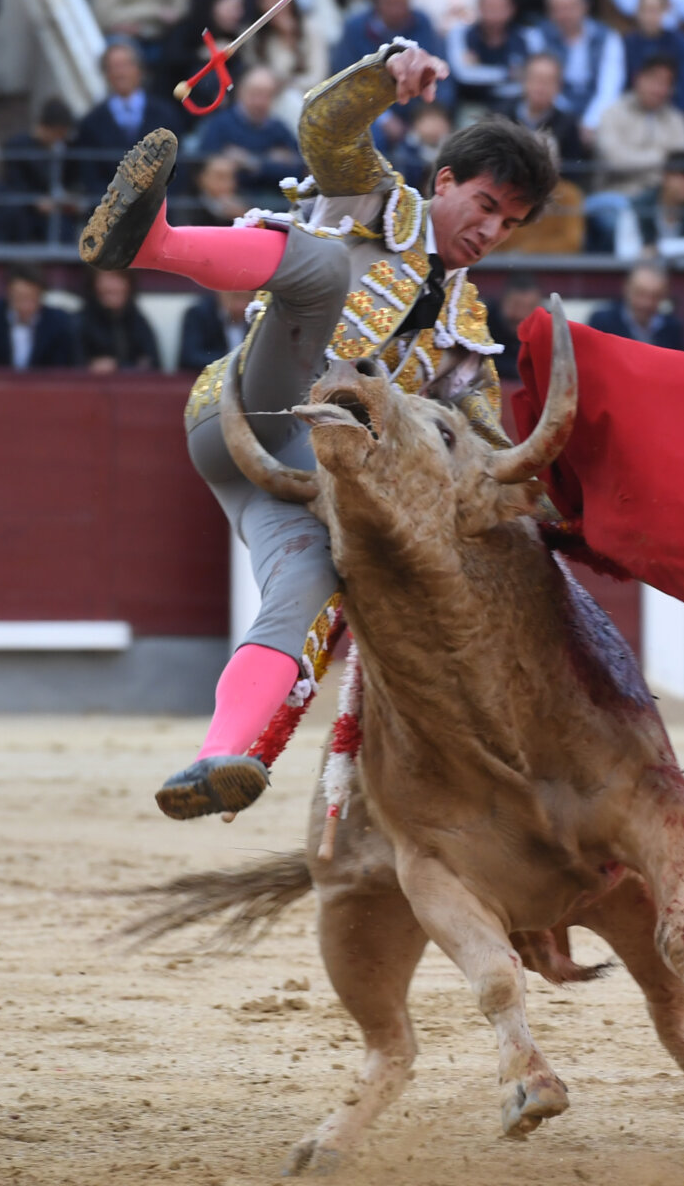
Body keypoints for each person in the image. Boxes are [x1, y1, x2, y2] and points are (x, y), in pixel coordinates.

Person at [77, 43, 558, 819]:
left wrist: (547, 487)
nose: (492, 229)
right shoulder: (374, 200)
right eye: (486, 204)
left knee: (302, 588)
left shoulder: (469, 335)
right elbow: (324, 126)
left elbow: (486, 446)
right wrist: (386, 72)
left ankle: (214, 758)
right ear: (444, 182)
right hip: (255, 400)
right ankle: (154, 239)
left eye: (510, 222)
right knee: (324, 274)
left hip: (297, 475)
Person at [590, 54, 684, 251]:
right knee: (616, 219)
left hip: (663, 201)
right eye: (654, 80)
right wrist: (662, 158)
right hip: (618, 195)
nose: (659, 89)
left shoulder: (678, 120)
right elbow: (614, 161)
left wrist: (636, 160)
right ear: (638, 78)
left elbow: (683, 167)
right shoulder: (612, 113)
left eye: (666, 83)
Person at [73, 37, 183, 197]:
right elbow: (89, 175)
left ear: (139, 69)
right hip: (110, 212)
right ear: (105, 73)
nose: (120, 73)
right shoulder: (91, 122)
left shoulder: (166, 114)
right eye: (113, 67)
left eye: (125, 65)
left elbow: (178, 165)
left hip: (158, 207)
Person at [194, 66, 304, 205]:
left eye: (267, 95)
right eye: (255, 94)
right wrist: (270, 161)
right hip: (229, 206)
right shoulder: (220, 124)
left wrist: (252, 163)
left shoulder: (279, 129)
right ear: (241, 92)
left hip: (274, 206)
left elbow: (297, 172)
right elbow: (205, 166)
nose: (259, 102)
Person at [537, 0, 624, 143]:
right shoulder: (539, 37)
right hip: (554, 116)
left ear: (585, 6)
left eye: (570, 6)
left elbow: (609, 88)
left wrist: (590, 122)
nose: (565, 14)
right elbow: (542, 83)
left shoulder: (608, 37)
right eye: (558, 8)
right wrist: (568, 121)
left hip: (598, 118)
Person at [239, 0, 329, 128]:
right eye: (267, 0)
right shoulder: (255, 37)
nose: (273, 6)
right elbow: (255, 77)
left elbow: (317, 77)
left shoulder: (310, 29)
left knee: (291, 99)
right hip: (268, 101)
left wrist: (290, 39)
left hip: (307, 100)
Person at [0, 265, 82, 369]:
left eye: (31, 298)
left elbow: (63, 371)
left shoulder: (58, 321)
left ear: (41, 296)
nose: (24, 306)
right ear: (8, 294)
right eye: (19, 298)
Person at [614, 151, 684, 262]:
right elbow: (625, 252)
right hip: (646, 273)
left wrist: (659, 249)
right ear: (666, 176)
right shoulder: (637, 204)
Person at [623, 0, 684, 125]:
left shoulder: (680, 44)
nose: (650, 16)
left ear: (665, 12)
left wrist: (676, 117)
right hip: (632, 114)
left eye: (655, 10)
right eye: (645, 10)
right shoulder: (626, 44)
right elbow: (623, 86)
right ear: (637, 12)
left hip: (671, 114)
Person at [2, 98, 81, 244]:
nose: (61, 138)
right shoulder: (17, 146)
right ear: (48, 128)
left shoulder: (64, 148)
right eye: (58, 133)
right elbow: (13, 185)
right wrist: (34, 201)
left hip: (57, 212)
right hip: (27, 212)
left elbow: (70, 181)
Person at [445, 0, 534, 114]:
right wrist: (508, 74)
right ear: (479, 7)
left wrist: (481, 71)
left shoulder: (527, 38)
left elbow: (530, 78)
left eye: (499, 8)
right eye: (488, 7)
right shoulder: (460, 33)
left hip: (516, 105)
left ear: (512, 9)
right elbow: (463, 75)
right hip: (472, 103)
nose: (493, 14)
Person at [499, 54, 588, 172]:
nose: (541, 86)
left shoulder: (568, 124)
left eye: (548, 81)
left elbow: (574, 172)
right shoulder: (500, 116)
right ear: (524, 80)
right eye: (536, 79)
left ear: (559, 86)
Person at [588, 261, 684, 350]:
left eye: (655, 296)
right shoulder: (602, 322)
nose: (646, 303)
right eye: (640, 294)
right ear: (627, 289)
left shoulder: (673, 328)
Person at [78, 268, 161, 372]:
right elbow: (71, 367)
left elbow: (154, 365)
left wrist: (117, 366)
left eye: (119, 278)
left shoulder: (138, 321)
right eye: (106, 279)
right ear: (93, 284)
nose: (113, 287)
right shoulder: (79, 323)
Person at [485, 272, 543, 378]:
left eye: (529, 307)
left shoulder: (548, 327)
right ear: (502, 302)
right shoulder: (483, 323)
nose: (521, 315)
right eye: (515, 306)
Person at [178, 289, 253, 370]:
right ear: (220, 292)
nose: (240, 305)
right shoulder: (199, 314)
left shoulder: (257, 315)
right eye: (236, 297)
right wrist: (234, 362)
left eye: (247, 298)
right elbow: (191, 357)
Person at [390, 103, 453, 191]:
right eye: (430, 120)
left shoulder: (452, 150)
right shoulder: (404, 152)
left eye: (439, 119)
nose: (435, 126)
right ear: (416, 124)